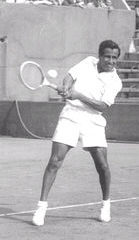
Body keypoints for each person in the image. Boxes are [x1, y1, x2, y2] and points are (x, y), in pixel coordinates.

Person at [32, 40, 122, 226]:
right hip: (70, 115)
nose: (111, 61)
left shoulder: (115, 82)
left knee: (103, 166)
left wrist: (78, 95)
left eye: (114, 58)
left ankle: (106, 205)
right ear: (99, 55)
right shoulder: (88, 62)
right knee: (55, 161)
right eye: (107, 56)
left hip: (93, 120)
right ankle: (41, 208)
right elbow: (70, 76)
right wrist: (66, 86)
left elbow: (102, 106)